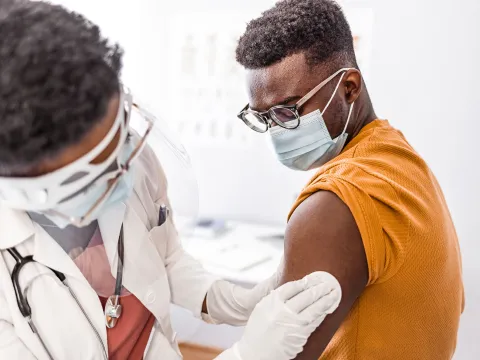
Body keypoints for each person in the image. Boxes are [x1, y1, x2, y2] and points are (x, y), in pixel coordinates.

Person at [0, 1, 343, 360]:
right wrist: (249, 355)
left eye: (121, 141)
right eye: (99, 174)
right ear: (32, 188)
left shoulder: (131, 159)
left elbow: (166, 258)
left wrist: (237, 301)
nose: (127, 171)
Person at [234, 0, 464, 359]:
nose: (276, 131)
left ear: (350, 87)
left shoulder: (334, 204)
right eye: (263, 118)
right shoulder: (397, 157)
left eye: (287, 111)